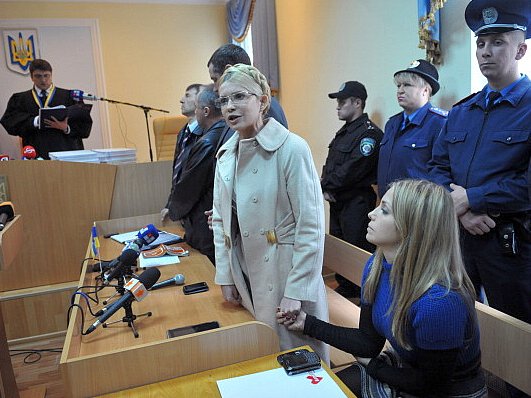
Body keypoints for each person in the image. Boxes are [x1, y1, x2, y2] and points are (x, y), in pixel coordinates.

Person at [278, 179, 487, 398]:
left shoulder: (439, 303)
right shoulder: (377, 266)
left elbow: (431, 387)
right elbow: (368, 343)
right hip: (408, 367)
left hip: (451, 390)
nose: (371, 213)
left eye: (385, 210)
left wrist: (374, 367)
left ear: (413, 226)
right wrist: (306, 323)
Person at [212, 64, 329, 363]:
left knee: (297, 360)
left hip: (285, 270)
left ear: (263, 101)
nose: (230, 107)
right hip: (245, 269)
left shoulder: (291, 148)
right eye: (223, 100)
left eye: (239, 97)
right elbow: (220, 221)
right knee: (261, 356)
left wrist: (297, 290)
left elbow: (311, 225)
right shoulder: (226, 155)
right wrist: (225, 274)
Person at [430, 0, 530, 326]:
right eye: (481, 43)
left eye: (498, 42)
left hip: (513, 249)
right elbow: (436, 168)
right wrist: (461, 208)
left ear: (520, 50)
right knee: (458, 325)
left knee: (516, 338)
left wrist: (472, 198)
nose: (485, 51)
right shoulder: (461, 111)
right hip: (459, 240)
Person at [321, 81, 383, 298]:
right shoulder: (345, 132)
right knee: (340, 249)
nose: (338, 106)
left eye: (342, 101)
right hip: (338, 201)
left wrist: (325, 186)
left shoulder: (370, 134)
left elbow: (352, 170)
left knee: (357, 250)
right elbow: (331, 165)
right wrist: (324, 186)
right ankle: (346, 288)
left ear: (357, 103)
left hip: (356, 202)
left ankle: (360, 295)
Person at [167, 86, 226, 264]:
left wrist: (173, 211)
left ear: (205, 111)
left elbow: (188, 189)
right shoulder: (225, 133)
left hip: (205, 229)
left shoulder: (207, 142)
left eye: (198, 108)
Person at [378, 59, 447, 198]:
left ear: (425, 90)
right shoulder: (392, 123)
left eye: (407, 85)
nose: (400, 90)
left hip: (417, 209)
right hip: (388, 206)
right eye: (399, 85)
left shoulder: (440, 123)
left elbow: (442, 172)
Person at [1, 59, 92, 159]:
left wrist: (66, 128)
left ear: (51, 75)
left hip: (66, 152)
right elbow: (10, 122)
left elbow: (84, 124)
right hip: (36, 152)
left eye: (46, 75)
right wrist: (35, 121)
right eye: (38, 76)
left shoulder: (69, 96)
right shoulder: (20, 99)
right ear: (31, 77)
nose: (43, 80)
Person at [161, 83, 204, 222]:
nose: (181, 100)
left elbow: (193, 179)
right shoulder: (183, 132)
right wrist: (170, 204)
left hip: (198, 212)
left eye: (187, 95)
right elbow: (177, 174)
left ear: (200, 99)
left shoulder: (206, 134)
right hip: (183, 212)